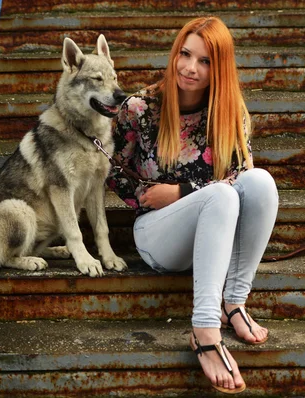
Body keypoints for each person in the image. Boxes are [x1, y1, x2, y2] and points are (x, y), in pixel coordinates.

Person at [108, 16, 278, 394]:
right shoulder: (141, 108)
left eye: (204, 61)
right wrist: (150, 197)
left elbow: (241, 175)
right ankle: (204, 329)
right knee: (220, 193)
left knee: (260, 181)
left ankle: (234, 302)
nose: (190, 67)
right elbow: (111, 170)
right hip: (157, 233)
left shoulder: (231, 113)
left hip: (211, 224)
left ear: (220, 68)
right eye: (185, 54)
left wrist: (182, 191)